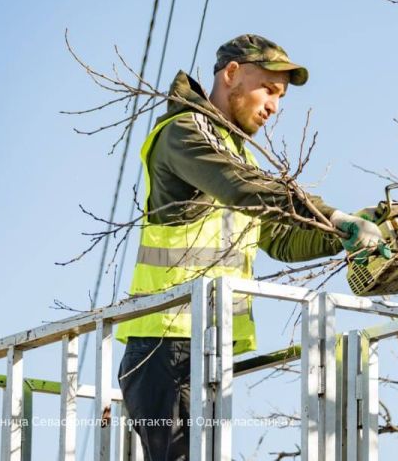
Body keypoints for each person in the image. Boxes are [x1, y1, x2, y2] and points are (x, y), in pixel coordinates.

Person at [114, 34, 383, 460]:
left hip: (204, 348)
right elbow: (242, 189)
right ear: (232, 74)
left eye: (281, 97)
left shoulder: (237, 153)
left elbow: (279, 238)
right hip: (166, 345)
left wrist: (346, 231)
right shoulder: (184, 133)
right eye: (270, 90)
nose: (275, 106)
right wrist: (334, 216)